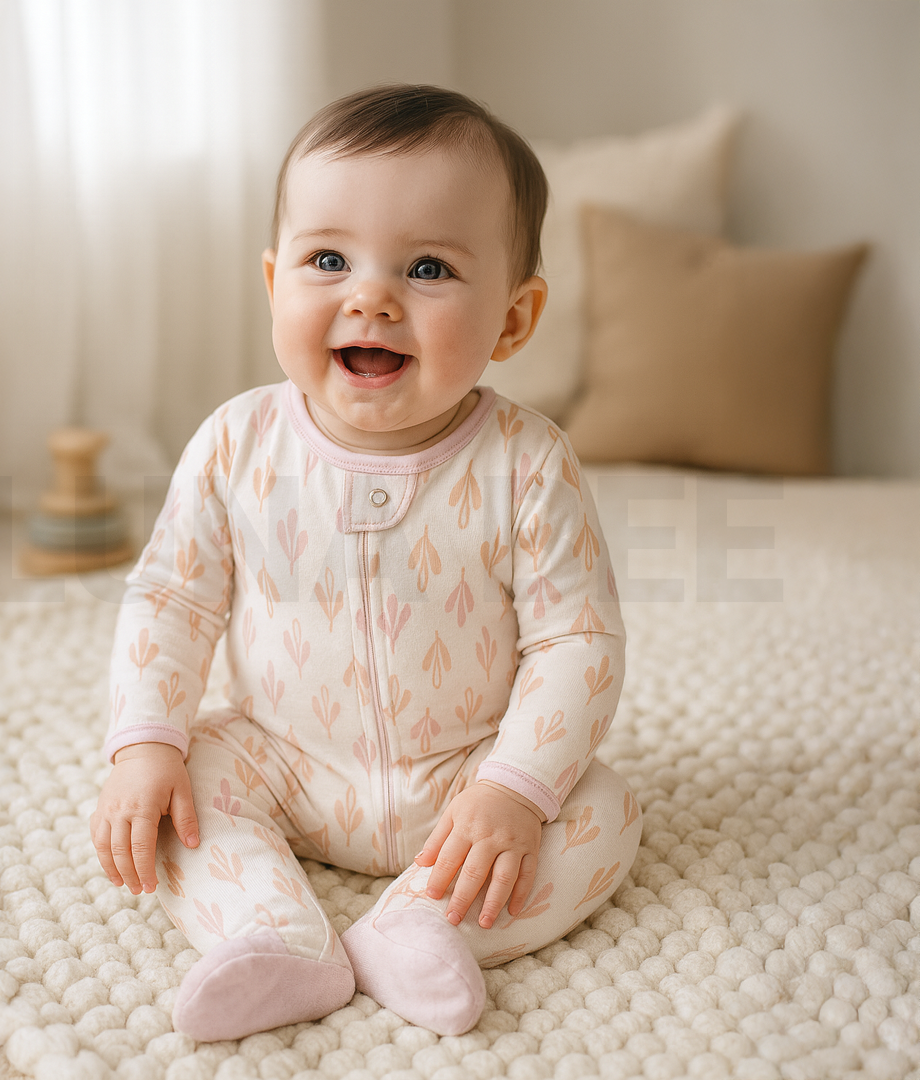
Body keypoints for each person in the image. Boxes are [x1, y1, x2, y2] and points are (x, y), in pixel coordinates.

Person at [90, 84, 641, 1043]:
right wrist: (145, 741)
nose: (371, 295)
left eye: (428, 266)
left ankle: (424, 924)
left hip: (466, 771)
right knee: (180, 784)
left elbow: (577, 639)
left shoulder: (528, 461)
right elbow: (173, 599)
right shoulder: (235, 445)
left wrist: (513, 785)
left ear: (513, 320)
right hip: (286, 760)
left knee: (601, 808)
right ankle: (275, 934)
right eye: (329, 259)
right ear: (275, 284)